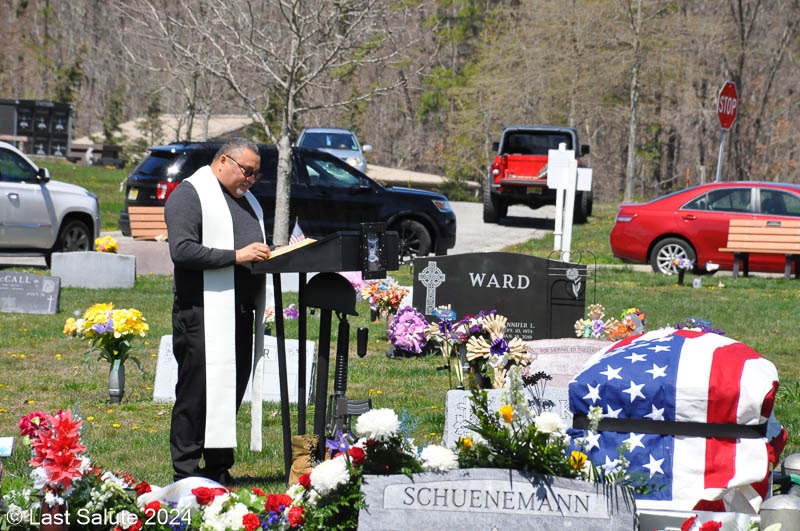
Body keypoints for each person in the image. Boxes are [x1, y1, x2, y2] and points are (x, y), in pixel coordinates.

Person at [165, 137, 272, 484]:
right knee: (196, 393)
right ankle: (185, 470)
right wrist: (238, 256)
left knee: (230, 390)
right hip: (200, 312)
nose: (251, 180)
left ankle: (217, 467)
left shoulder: (248, 202)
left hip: (238, 312)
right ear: (224, 161)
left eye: (255, 174)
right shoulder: (190, 195)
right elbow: (182, 251)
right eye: (247, 171)